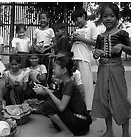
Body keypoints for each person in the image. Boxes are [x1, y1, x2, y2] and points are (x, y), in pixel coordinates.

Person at [92, 3, 131, 137]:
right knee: (104, 100)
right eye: (105, 16)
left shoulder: (122, 34)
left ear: (117, 17)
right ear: (101, 18)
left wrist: (122, 46)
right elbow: (95, 53)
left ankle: (126, 132)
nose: (108, 19)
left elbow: (131, 51)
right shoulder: (100, 37)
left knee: (120, 100)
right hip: (102, 69)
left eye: (112, 16)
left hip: (116, 69)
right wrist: (96, 53)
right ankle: (109, 130)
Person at [34, 55, 92, 136]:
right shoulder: (65, 83)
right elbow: (57, 94)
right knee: (50, 100)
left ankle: (67, 132)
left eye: (55, 67)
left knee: (48, 105)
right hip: (79, 122)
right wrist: (45, 91)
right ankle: (64, 126)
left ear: (64, 70)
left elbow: (61, 107)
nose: (53, 70)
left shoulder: (69, 84)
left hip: (80, 123)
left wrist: (48, 92)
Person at [71, 7, 99, 112]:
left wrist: (80, 38)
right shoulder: (76, 30)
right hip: (74, 57)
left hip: (84, 58)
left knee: (86, 83)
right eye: (74, 21)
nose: (76, 22)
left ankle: (88, 108)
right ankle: (76, 106)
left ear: (83, 16)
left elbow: (97, 43)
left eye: (77, 19)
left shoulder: (92, 27)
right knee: (75, 83)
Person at [32, 11, 55, 84]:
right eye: (41, 18)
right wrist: (36, 48)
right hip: (38, 51)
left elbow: (55, 43)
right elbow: (33, 42)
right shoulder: (36, 30)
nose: (42, 20)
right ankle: (37, 82)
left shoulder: (50, 30)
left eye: (44, 18)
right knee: (38, 67)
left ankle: (47, 83)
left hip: (46, 51)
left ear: (48, 20)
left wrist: (46, 49)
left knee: (47, 67)